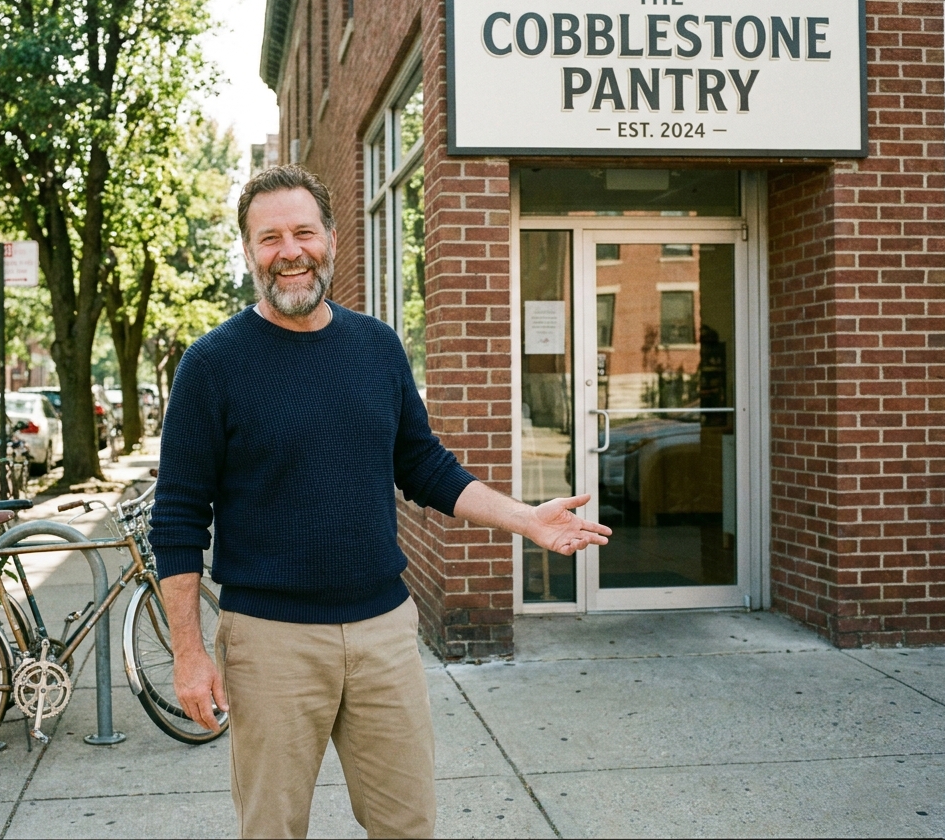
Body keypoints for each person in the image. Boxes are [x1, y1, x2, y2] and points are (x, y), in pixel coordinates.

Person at [149, 164, 610, 839]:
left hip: (384, 632)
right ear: (249, 252)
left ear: (332, 238)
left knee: (407, 825)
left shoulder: (376, 347)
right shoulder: (213, 364)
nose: (290, 251)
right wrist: (188, 655)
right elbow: (178, 519)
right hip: (270, 642)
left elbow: (423, 465)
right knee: (271, 829)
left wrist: (524, 519)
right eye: (270, 238)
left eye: (303, 231)